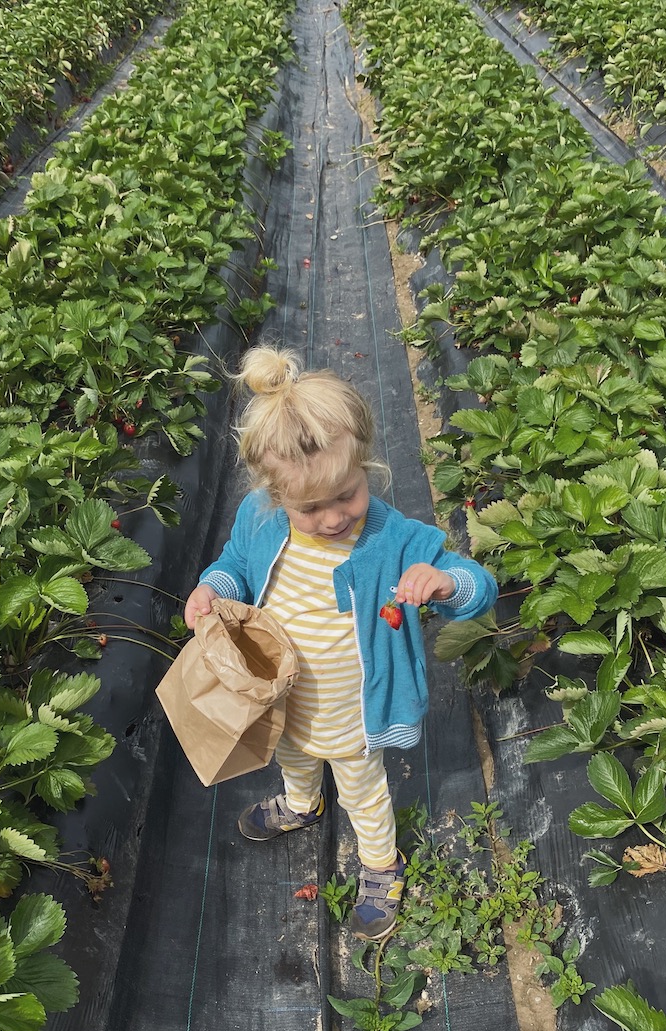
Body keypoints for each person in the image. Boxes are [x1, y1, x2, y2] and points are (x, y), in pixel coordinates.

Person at [183, 346, 498, 940]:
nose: (332, 518)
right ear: (276, 496)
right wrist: (211, 589)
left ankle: (381, 864)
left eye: (347, 495)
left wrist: (446, 582)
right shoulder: (259, 518)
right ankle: (302, 805)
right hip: (281, 696)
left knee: (363, 788)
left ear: (365, 467)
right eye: (310, 506)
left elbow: (480, 588)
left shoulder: (396, 540)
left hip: (353, 709)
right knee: (291, 755)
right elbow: (234, 567)